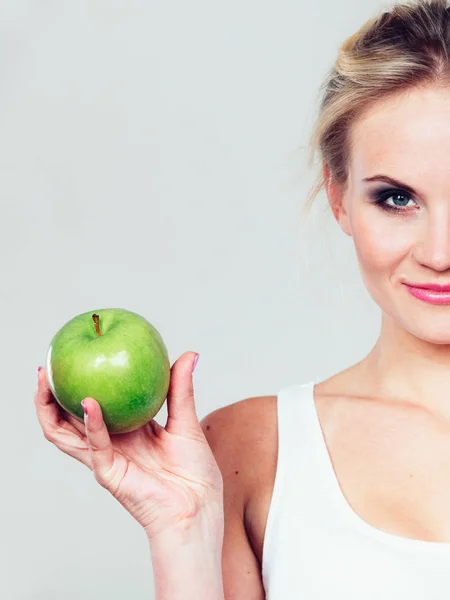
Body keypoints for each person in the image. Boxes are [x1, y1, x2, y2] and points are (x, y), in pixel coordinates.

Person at [34, 0, 450, 597]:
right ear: (338, 198)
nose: (439, 251)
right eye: (396, 199)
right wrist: (182, 529)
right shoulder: (250, 450)